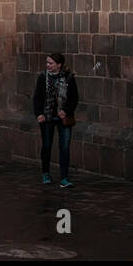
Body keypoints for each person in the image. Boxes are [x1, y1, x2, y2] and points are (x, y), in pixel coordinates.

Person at [34, 52, 78, 187]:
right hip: (47, 117)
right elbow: (37, 97)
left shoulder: (69, 78)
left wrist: (66, 111)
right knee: (47, 145)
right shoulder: (43, 77)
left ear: (59, 65)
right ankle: (45, 173)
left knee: (64, 147)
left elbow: (74, 98)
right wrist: (39, 114)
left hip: (62, 117)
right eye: (47, 63)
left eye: (51, 63)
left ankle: (64, 177)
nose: (48, 65)